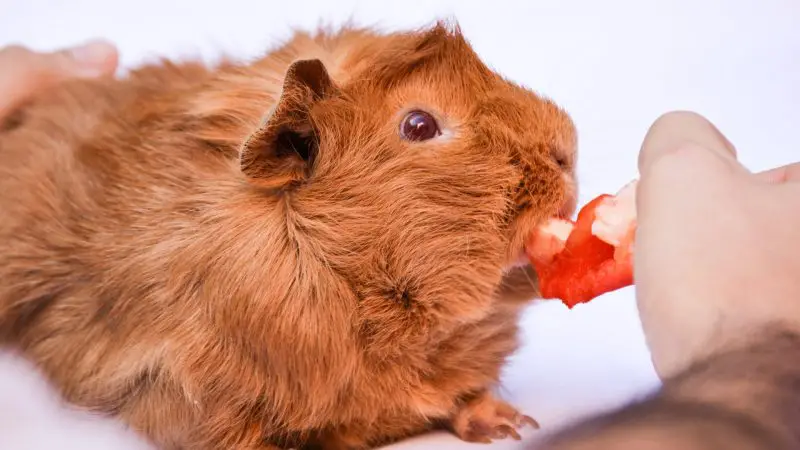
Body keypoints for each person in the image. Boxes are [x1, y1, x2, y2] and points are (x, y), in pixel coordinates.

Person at [2, 44, 799, 450]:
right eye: (421, 126)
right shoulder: (229, 332)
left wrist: (464, 401)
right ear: (293, 158)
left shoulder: (461, 306)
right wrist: (760, 349)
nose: (554, 145)